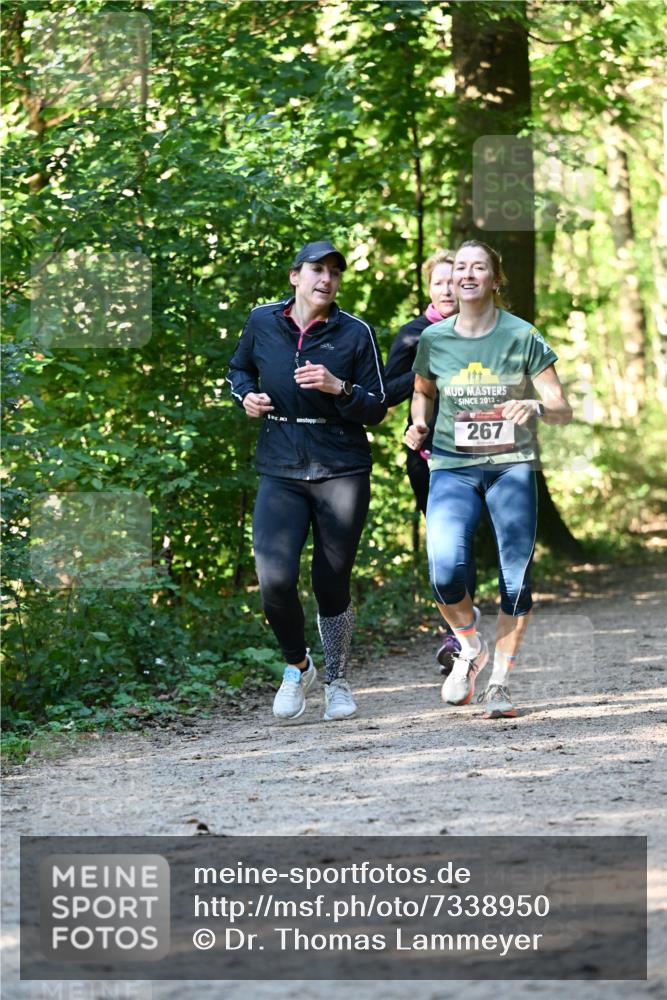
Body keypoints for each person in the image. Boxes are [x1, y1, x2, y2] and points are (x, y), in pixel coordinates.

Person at [406, 240, 572, 719]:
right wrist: (418, 422)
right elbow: (423, 394)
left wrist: (537, 406)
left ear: (496, 280)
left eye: (479, 267)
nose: (468, 274)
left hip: (511, 466)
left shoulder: (522, 336)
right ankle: (469, 645)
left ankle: (499, 681)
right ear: (452, 279)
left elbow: (562, 408)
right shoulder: (434, 340)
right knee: (444, 573)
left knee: (516, 579)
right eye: (460, 267)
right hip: (453, 467)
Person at [227, 240, 387, 723]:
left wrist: (340, 388)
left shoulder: (354, 332)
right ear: (295, 276)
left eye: (335, 273)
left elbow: (377, 406)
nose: (327, 280)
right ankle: (298, 666)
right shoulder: (262, 321)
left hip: (341, 467)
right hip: (280, 465)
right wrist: (247, 398)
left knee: (331, 579)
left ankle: (337, 680)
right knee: (274, 579)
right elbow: (238, 369)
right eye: (317, 270)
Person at [384, 250, 478, 672]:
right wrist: (429, 369)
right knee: (446, 545)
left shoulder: (483, 332)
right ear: (429, 288)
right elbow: (387, 391)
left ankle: (461, 636)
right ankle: (459, 630)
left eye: (454, 281)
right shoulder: (413, 334)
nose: (446, 289)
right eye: (438, 282)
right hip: (427, 457)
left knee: (463, 541)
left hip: (477, 454)